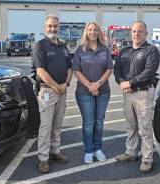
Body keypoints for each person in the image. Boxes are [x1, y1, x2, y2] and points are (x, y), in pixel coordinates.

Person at [113, 21, 160, 173]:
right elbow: (117, 69)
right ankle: (131, 152)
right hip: (127, 94)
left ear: (146, 34)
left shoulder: (151, 50)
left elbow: (149, 72)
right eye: (134, 31)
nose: (136, 34)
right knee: (131, 125)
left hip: (143, 93)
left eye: (140, 31)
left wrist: (130, 83)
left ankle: (147, 159)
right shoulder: (124, 51)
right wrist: (121, 82)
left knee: (145, 127)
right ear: (131, 33)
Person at [32, 14, 72, 173]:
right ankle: (43, 158)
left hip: (62, 90)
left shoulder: (63, 46)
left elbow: (70, 68)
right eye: (50, 26)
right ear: (45, 28)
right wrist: (57, 86)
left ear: (59, 27)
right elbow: (40, 71)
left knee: (57, 124)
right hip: (47, 91)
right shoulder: (40, 46)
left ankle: (55, 151)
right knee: (46, 126)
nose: (52, 29)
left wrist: (66, 84)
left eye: (55, 26)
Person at [72, 22, 113, 164]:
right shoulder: (80, 50)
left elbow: (109, 69)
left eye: (95, 30)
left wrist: (98, 84)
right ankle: (89, 151)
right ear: (86, 32)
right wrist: (90, 86)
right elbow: (76, 71)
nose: (93, 32)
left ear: (99, 32)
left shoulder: (105, 50)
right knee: (89, 122)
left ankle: (98, 149)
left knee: (99, 122)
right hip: (84, 92)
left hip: (103, 91)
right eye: (90, 30)